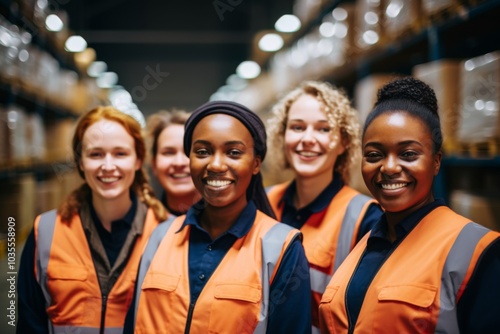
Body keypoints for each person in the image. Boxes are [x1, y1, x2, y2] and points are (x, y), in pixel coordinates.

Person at [318, 77, 500, 333]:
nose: (389, 167)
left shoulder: (478, 251)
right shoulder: (365, 245)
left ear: (436, 161)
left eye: (408, 154)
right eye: (374, 155)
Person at [126, 101, 312, 333]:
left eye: (233, 152)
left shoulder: (281, 249)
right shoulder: (160, 237)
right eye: (202, 152)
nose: (215, 164)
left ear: (256, 163)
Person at [17, 106, 168, 333]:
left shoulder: (167, 233)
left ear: (138, 160)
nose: (108, 166)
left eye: (120, 153)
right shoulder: (45, 231)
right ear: (80, 162)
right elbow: (30, 322)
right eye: (95, 154)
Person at [266, 80, 382, 332]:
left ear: (343, 142)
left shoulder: (365, 217)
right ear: (282, 135)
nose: (307, 139)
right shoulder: (264, 201)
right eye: (297, 127)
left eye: (323, 129)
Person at [146, 109, 201, 215]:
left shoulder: (232, 222)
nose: (179, 163)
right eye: (168, 153)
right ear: (154, 164)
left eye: (188, 151)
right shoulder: (142, 225)